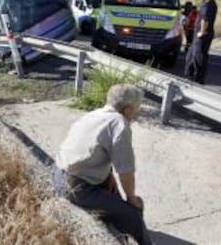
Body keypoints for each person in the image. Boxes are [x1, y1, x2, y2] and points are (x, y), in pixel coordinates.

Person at [53, 84, 153, 245]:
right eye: (136, 108)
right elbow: (126, 171)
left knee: (115, 196)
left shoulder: (94, 114)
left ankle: (123, 235)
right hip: (78, 187)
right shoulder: (120, 124)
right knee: (133, 213)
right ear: (128, 109)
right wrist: (131, 199)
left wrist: (108, 175)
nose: (137, 112)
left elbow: (95, 151)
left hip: (59, 174)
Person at [184, 0, 217, 84]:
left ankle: (197, 82)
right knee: (190, 57)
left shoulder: (208, 5)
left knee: (198, 59)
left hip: (201, 37)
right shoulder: (208, 3)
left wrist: (201, 32)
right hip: (199, 37)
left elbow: (205, 19)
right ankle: (189, 79)